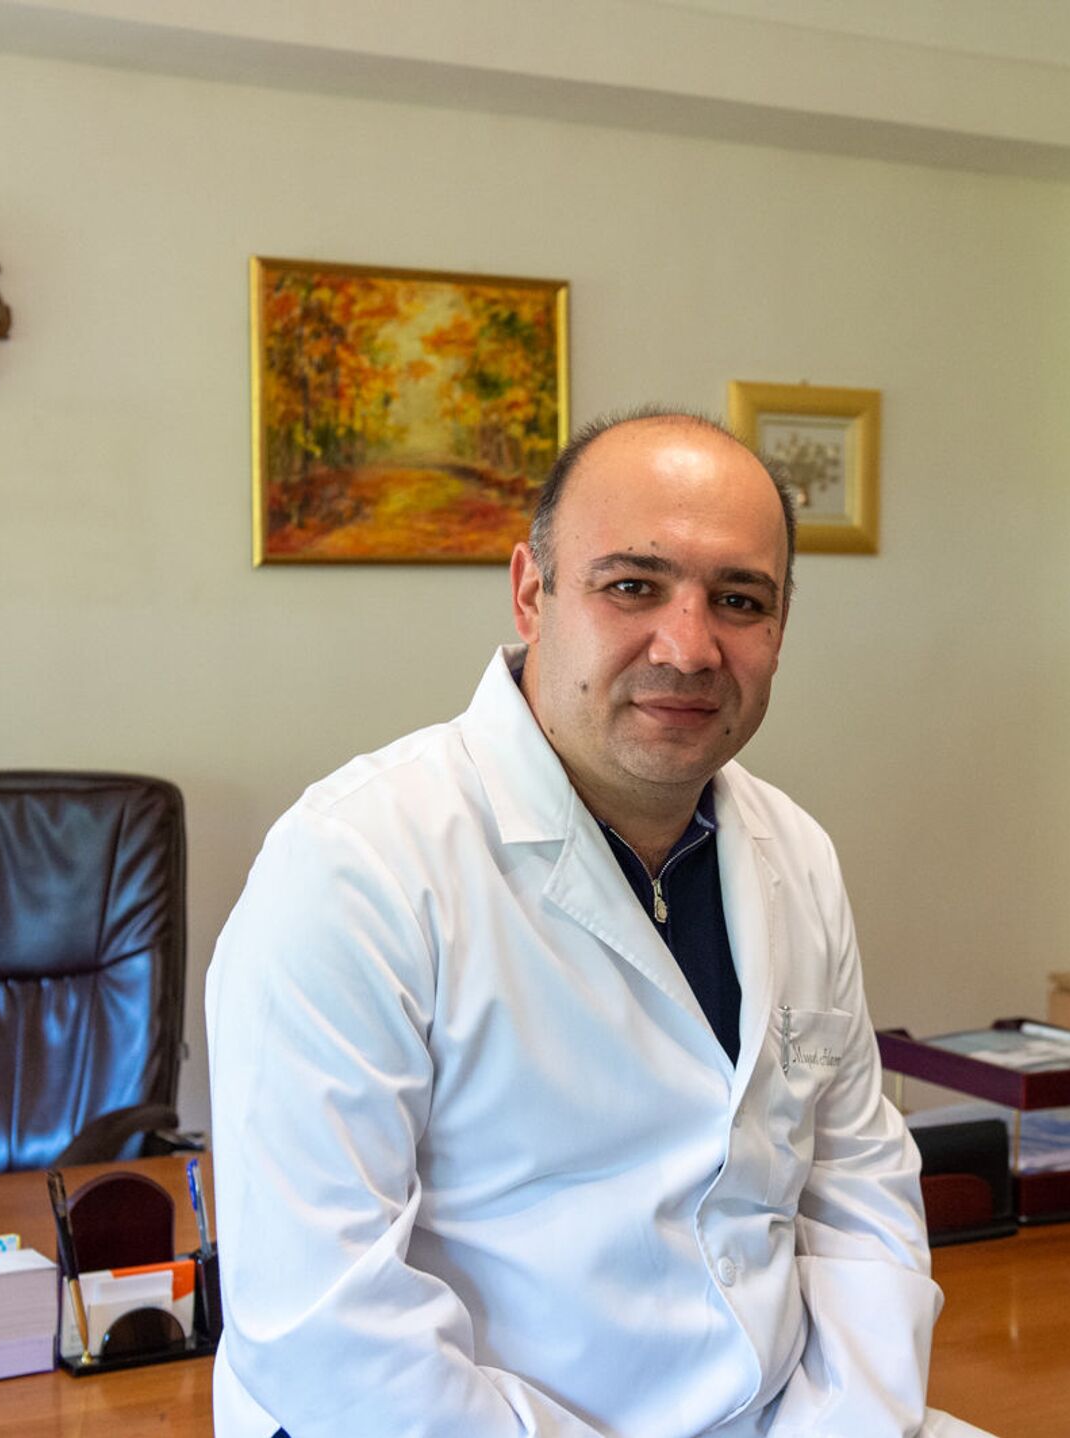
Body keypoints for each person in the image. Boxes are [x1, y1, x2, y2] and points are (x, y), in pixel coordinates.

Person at [206, 410, 992, 1437]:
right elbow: (323, 1325)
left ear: (780, 628)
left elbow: (858, 1193)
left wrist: (844, 1424)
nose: (689, 647)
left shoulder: (793, 853)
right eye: (633, 586)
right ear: (532, 593)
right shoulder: (356, 865)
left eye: (740, 600)